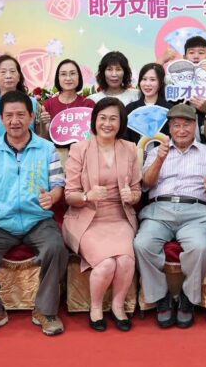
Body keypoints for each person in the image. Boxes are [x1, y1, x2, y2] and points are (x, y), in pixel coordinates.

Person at [0, 91, 68, 339]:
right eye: (9, 115)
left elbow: (58, 185)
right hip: (1, 222)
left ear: (31, 117)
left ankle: (45, 311)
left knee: (56, 248)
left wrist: (52, 197)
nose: (15, 121)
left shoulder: (47, 149)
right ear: (1, 119)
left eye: (21, 115)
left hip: (38, 220)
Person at [133, 103, 206, 329]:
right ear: (170, 128)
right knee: (142, 243)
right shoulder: (155, 151)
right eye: (176, 125)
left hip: (196, 212)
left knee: (200, 247)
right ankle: (160, 297)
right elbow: (146, 184)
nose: (181, 130)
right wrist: (160, 160)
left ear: (195, 127)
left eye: (187, 125)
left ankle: (187, 298)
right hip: (159, 211)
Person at [63, 98, 142, 332]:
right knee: (107, 263)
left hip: (119, 217)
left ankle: (118, 306)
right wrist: (87, 196)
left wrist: (132, 196)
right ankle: (96, 308)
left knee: (125, 260)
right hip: (86, 218)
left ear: (121, 123)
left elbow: (137, 190)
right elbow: (69, 195)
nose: (107, 124)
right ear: (94, 120)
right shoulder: (79, 149)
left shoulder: (130, 149)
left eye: (113, 119)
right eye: (103, 118)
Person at [0, 54, 44, 147]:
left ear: (19, 77)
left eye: (12, 71)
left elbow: (40, 136)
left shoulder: (32, 103)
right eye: (3, 72)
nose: (8, 76)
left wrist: (45, 123)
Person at [39, 59, 95, 164]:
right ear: (58, 78)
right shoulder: (48, 105)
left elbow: (93, 136)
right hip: (56, 159)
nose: (68, 78)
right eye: (63, 74)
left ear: (79, 77)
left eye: (72, 73)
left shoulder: (88, 105)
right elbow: (44, 140)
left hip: (84, 157)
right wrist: (44, 125)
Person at [125, 63, 172, 144]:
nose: (147, 84)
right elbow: (124, 137)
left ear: (161, 82)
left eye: (152, 80)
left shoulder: (169, 109)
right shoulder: (130, 108)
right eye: (144, 79)